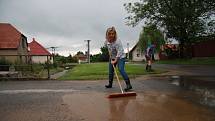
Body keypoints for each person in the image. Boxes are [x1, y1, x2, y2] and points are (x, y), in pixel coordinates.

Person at [104, 26, 132, 92]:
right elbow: (108, 49)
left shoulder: (117, 41)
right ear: (107, 34)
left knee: (121, 69)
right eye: (110, 34)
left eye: (113, 33)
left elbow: (119, 52)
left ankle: (128, 85)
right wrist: (110, 57)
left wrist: (115, 60)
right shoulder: (106, 42)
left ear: (115, 34)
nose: (111, 35)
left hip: (121, 57)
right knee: (111, 71)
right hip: (112, 57)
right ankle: (110, 84)